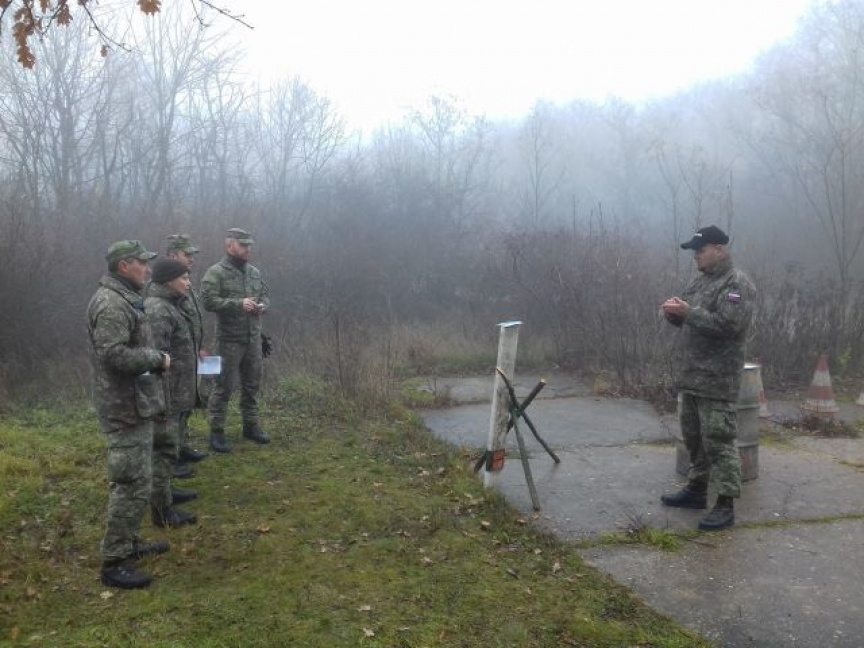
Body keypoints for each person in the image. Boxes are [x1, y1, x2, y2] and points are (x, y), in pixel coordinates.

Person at [86, 240, 171, 589]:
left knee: (139, 480)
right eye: (141, 263)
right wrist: (156, 358)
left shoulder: (125, 298)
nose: (147, 269)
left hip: (136, 404)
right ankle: (114, 561)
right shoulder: (111, 303)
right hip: (123, 408)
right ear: (124, 266)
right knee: (129, 482)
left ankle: (131, 543)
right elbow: (113, 355)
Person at [660, 225, 756, 531]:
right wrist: (675, 315)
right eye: (694, 252)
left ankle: (725, 505)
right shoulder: (700, 281)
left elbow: (729, 326)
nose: (696, 256)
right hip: (692, 377)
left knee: (719, 442)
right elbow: (692, 320)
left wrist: (689, 313)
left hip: (717, 380)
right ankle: (696, 490)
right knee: (693, 438)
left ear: (719, 249)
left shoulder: (736, 283)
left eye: (700, 251)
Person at [201, 227, 271, 453]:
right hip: (228, 340)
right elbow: (208, 301)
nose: (247, 249)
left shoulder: (254, 272)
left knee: (252, 385)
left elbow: (265, 295)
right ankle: (216, 432)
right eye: (243, 245)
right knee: (223, 386)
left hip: (253, 338)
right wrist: (237, 304)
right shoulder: (216, 272)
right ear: (229, 245)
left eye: (249, 245)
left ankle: (251, 427)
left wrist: (262, 306)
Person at [144, 258, 199, 529]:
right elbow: (156, 359)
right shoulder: (158, 309)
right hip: (165, 393)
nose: (188, 283)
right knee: (162, 450)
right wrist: (161, 399)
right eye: (184, 278)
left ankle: (166, 493)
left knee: (169, 448)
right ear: (168, 281)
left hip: (175, 391)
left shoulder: (171, 305)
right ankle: (161, 511)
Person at [164, 234, 208, 477]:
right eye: (187, 254)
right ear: (172, 255)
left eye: (192, 255)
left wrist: (198, 346)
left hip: (190, 354)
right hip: (175, 361)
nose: (191, 259)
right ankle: (171, 458)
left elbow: (192, 320)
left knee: (186, 406)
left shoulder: (184, 280)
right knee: (174, 410)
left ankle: (181, 447)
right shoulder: (165, 284)